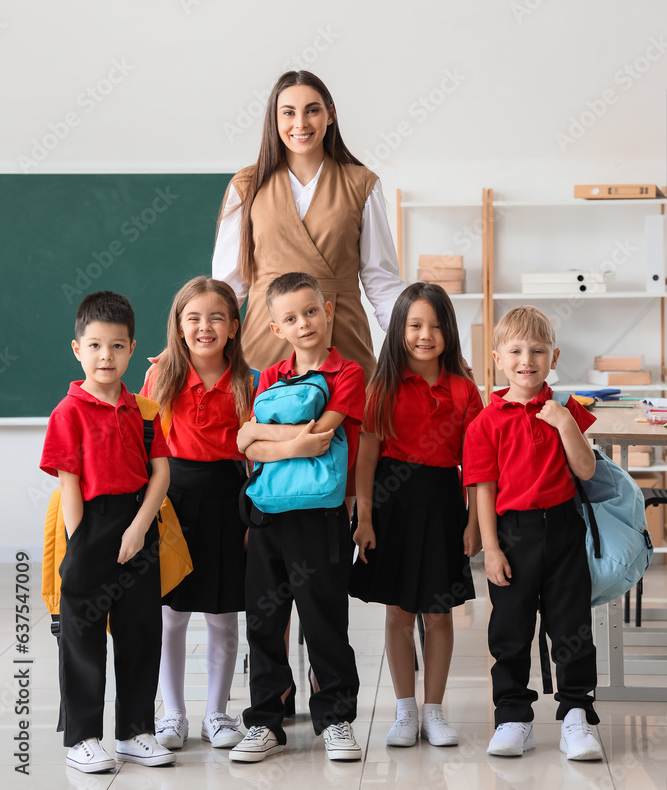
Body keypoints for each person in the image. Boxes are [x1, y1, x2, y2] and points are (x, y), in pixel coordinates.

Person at [229, 272, 364, 763]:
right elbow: (245, 444)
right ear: (275, 328)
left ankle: (336, 720)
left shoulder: (346, 373)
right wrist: (295, 443)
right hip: (268, 517)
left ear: (328, 310)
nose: (303, 323)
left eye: (310, 311)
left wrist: (268, 440)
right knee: (265, 621)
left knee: (325, 618)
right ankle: (265, 720)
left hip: (319, 518)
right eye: (290, 318)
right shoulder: (267, 376)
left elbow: (322, 436)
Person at [39, 291, 174, 773]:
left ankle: (137, 731)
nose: (106, 356)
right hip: (89, 528)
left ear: (133, 349)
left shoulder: (145, 410)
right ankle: (83, 739)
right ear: (78, 349)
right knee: (83, 637)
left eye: (117, 347)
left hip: (139, 524)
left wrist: (139, 529)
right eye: (95, 346)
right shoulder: (68, 412)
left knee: (141, 632)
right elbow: (69, 484)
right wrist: (81, 548)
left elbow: (160, 473)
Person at [463, 305, 602, 761]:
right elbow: (483, 489)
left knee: (571, 625)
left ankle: (577, 715)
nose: (528, 359)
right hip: (513, 534)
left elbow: (585, 469)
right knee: (510, 628)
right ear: (499, 359)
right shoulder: (486, 422)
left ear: (554, 356)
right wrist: (491, 549)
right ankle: (512, 717)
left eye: (538, 350)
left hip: (563, 530)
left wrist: (563, 422)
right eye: (517, 350)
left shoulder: (567, 411)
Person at [349, 282, 482, 748]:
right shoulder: (381, 386)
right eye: (415, 325)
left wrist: (475, 522)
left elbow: (478, 463)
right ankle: (404, 711)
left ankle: (434, 711)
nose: (426, 335)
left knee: (439, 614)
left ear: (449, 331)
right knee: (400, 612)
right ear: (399, 330)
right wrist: (364, 517)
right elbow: (366, 457)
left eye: (436, 325)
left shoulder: (465, 390)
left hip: (444, 504)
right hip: (393, 506)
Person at [212, 69, 405, 384]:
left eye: (312, 110)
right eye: (288, 112)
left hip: (342, 339)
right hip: (266, 338)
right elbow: (228, 287)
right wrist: (186, 346)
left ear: (330, 115)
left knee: (347, 431)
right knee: (266, 429)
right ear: (274, 120)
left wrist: (415, 335)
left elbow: (380, 280)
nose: (300, 123)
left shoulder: (362, 184)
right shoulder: (246, 185)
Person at [141, 277, 254, 751]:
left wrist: (254, 515)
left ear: (232, 327)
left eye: (216, 318)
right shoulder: (162, 372)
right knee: (172, 615)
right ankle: (173, 714)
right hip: (173, 500)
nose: (204, 327)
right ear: (179, 325)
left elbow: (255, 454)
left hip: (230, 499)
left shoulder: (248, 380)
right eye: (194, 318)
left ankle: (218, 713)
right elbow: (145, 447)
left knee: (224, 615)